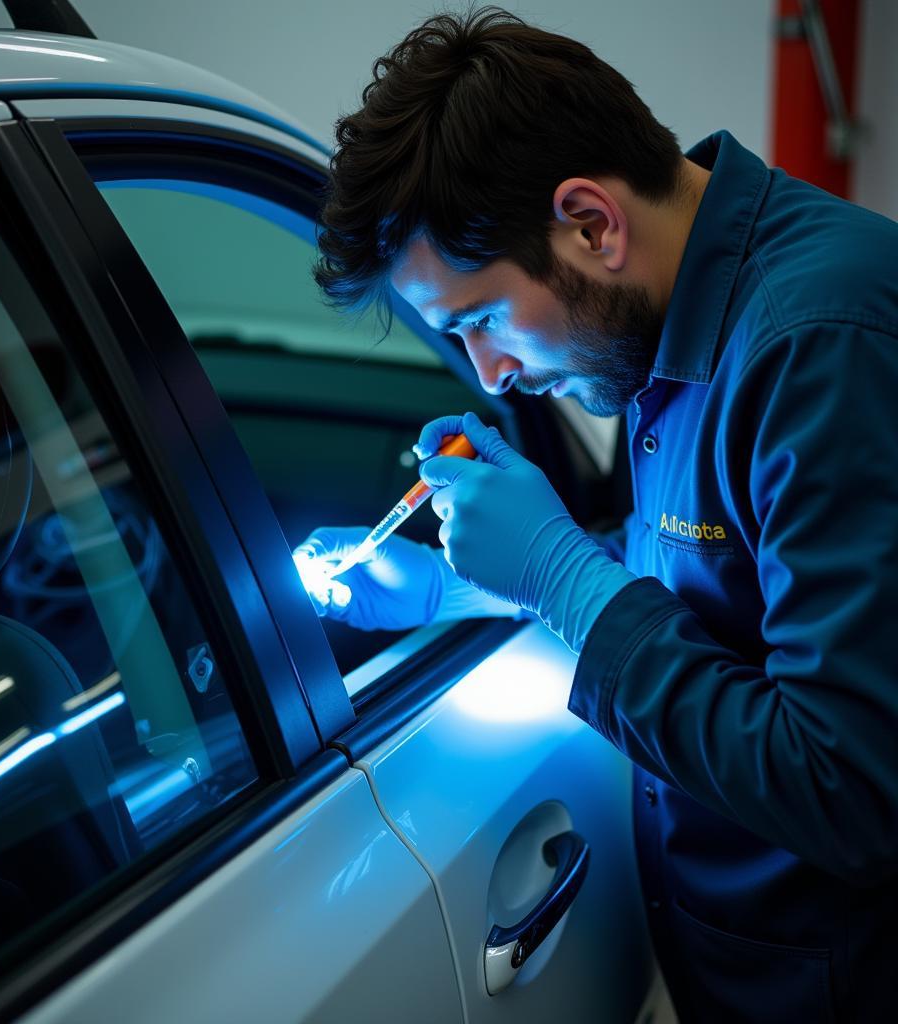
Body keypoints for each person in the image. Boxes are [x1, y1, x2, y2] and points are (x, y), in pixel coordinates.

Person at [294, 8, 898, 1022]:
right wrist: (457, 584)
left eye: (481, 319)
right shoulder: (663, 323)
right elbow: (724, 575)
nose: (492, 375)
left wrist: (560, 575)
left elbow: (853, 787)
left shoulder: (820, 346)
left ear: (590, 224)